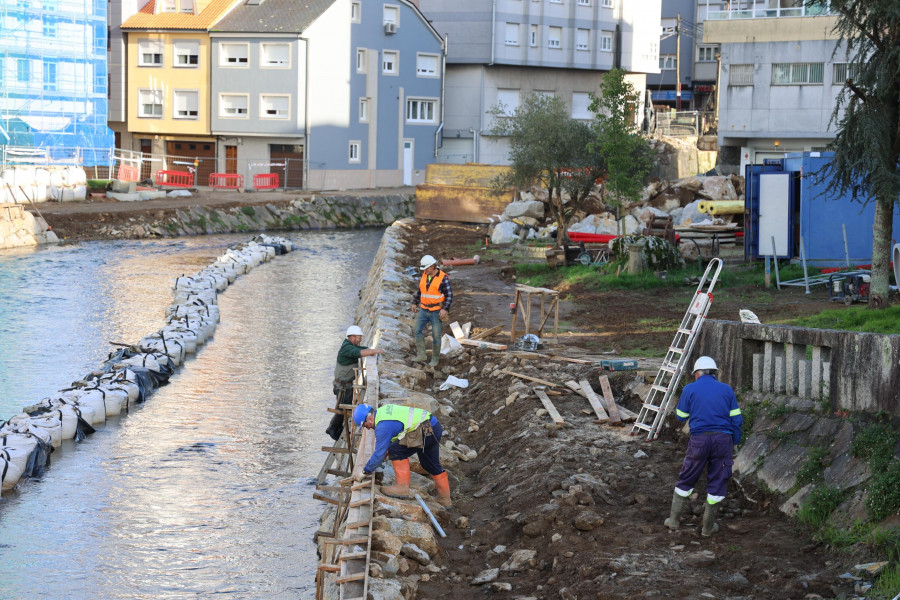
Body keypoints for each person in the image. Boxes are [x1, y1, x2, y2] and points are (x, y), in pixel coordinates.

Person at [664, 356, 743, 537]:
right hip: (723, 441)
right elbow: (737, 419)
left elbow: (681, 416)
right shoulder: (727, 389)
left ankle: (674, 521)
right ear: (714, 373)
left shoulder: (689, 389)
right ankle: (707, 528)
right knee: (718, 479)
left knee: (687, 476)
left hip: (699, 440)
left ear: (697, 374)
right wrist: (734, 441)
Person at [351, 402, 451, 507]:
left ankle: (402, 488)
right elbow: (393, 437)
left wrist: (365, 471)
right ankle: (445, 499)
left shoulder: (382, 427)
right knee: (429, 463)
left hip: (423, 431)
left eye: (365, 425)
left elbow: (379, 453)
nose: (367, 428)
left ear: (369, 419)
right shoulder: (383, 411)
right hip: (433, 426)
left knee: (396, 450)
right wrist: (385, 452)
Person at [325, 326, 384, 441]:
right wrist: (375, 351)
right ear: (352, 337)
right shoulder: (347, 349)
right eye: (358, 338)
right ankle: (332, 428)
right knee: (343, 408)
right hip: (342, 386)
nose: (360, 340)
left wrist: (370, 350)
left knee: (344, 407)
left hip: (345, 384)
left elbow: (362, 348)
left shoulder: (350, 346)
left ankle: (337, 428)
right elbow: (360, 352)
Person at [412, 254, 452, 368]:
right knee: (417, 330)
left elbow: (449, 295)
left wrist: (445, 309)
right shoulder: (424, 275)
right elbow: (420, 291)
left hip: (436, 311)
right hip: (424, 309)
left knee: (436, 336)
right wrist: (414, 302)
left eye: (426, 268)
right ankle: (422, 355)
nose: (425, 270)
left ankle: (435, 359)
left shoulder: (443, 278)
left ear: (433, 266)